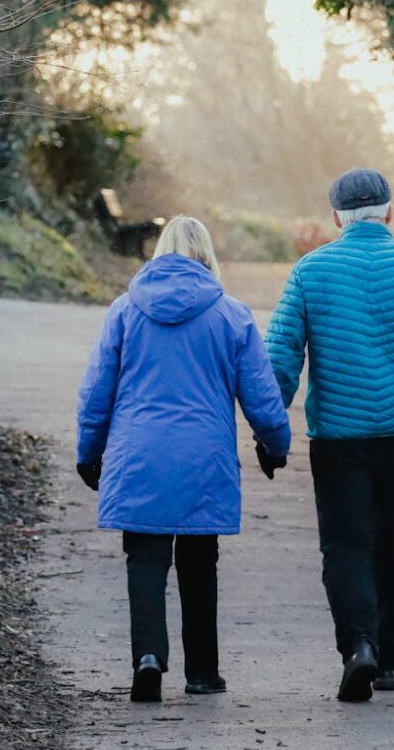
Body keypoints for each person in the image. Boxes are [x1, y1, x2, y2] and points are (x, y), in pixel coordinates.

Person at [265, 168, 394, 703]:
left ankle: (357, 646)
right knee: (393, 544)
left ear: (336, 216)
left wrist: (270, 430)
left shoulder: (310, 272)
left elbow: (280, 359)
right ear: (388, 212)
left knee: (345, 546)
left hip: (338, 437)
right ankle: (389, 662)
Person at [76, 215, 290, 703]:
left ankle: (148, 657)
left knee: (145, 557)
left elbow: (96, 393)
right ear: (207, 256)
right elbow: (262, 394)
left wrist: (89, 452)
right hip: (203, 458)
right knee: (199, 560)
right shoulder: (232, 315)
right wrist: (274, 444)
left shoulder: (125, 312)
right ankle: (201, 672)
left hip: (138, 455)